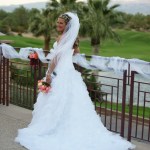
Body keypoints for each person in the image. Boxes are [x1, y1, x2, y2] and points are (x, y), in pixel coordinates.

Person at [15, 12, 135, 150]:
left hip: (60, 71)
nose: (58, 24)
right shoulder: (72, 39)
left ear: (67, 25)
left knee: (57, 100)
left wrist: (48, 73)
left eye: (61, 23)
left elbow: (55, 58)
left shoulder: (62, 38)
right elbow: (76, 53)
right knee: (71, 101)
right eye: (58, 22)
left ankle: (54, 129)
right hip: (69, 71)